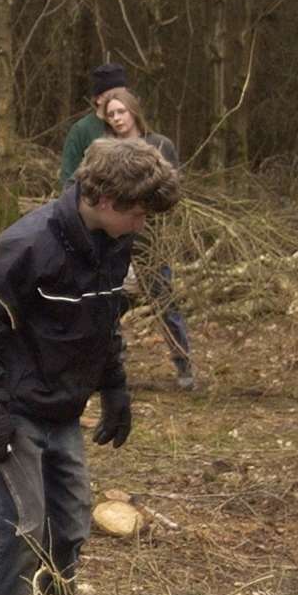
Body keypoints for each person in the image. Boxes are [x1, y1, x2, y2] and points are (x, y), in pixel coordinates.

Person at [0, 137, 180, 595]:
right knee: (22, 527)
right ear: (106, 200)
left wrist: (115, 385)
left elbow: (104, 322)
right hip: (13, 406)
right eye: (139, 213)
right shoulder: (26, 245)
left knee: (71, 525)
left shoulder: (114, 242)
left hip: (64, 407)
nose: (143, 223)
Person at [101, 88, 195, 390]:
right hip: (114, 240)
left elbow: (171, 189)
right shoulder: (106, 150)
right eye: (111, 114)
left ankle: (184, 366)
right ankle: (113, 364)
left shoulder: (159, 145)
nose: (117, 119)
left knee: (165, 303)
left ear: (133, 111)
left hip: (150, 241)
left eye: (121, 112)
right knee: (108, 304)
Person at [59, 62, 128, 188]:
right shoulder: (82, 130)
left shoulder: (131, 125)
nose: (119, 99)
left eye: (123, 94)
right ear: (99, 98)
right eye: (114, 95)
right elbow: (68, 177)